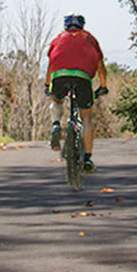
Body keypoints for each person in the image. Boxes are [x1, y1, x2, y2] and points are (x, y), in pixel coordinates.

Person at [46, 12, 108, 172]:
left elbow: (51, 64)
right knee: (86, 117)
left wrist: (48, 85)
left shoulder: (58, 39)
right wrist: (103, 86)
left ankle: (56, 124)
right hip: (83, 78)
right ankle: (87, 158)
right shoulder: (90, 39)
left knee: (57, 100)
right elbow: (101, 67)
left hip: (59, 76)